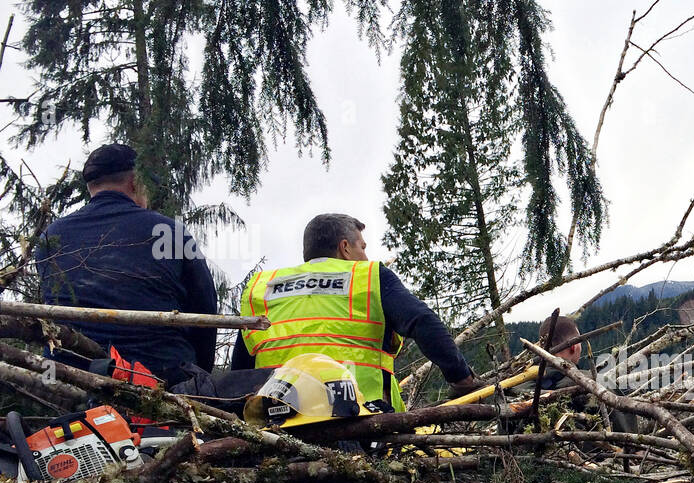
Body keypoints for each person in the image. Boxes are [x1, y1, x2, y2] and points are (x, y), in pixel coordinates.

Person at [233, 213, 479, 411]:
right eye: (362, 246)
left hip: (276, 421)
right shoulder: (368, 277)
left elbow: (241, 371)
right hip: (359, 420)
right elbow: (422, 321)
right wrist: (461, 378)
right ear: (345, 248)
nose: (366, 255)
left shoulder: (262, 287)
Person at [35, 143, 219, 385]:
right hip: (161, 378)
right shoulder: (168, 232)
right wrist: (199, 377)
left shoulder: (50, 237)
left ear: (92, 186)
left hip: (71, 377)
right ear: (136, 182)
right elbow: (204, 312)